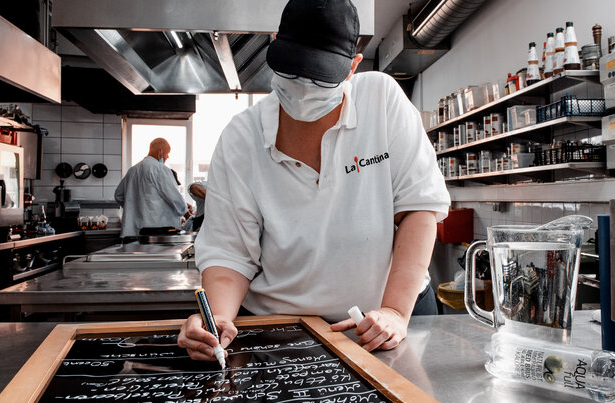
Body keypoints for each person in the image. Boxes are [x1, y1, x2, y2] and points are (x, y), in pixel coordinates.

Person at [177, 0, 449, 362]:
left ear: (352, 67)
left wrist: (396, 312)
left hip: (388, 320)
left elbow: (419, 210)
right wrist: (219, 319)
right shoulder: (241, 137)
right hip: (282, 331)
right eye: (291, 70)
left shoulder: (381, 101)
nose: (304, 86)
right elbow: (230, 252)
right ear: (274, 44)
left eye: (321, 76)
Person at [114, 137, 189, 237]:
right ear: (160, 152)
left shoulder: (132, 170)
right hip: (157, 232)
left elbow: (118, 195)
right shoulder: (159, 169)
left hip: (132, 231)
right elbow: (174, 196)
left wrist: (134, 207)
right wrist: (187, 213)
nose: (167, 157)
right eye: (167, 153)